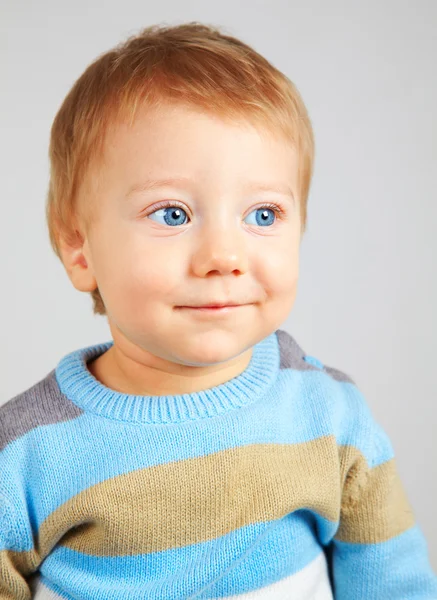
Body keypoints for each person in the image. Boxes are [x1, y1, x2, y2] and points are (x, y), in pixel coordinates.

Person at [1, 21, 436, 600]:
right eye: (173, 214)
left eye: (263, 215)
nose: (224, 257)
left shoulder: (329, 416)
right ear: (80, 247)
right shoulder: (27, 453)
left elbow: (395, 585)